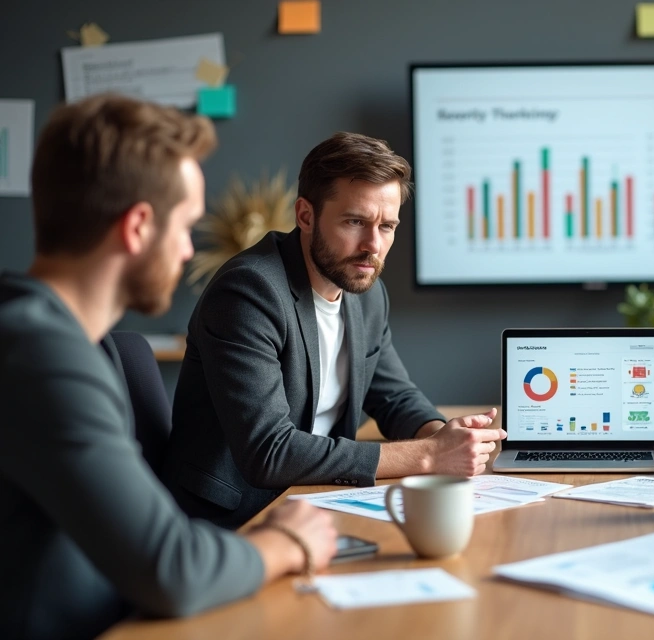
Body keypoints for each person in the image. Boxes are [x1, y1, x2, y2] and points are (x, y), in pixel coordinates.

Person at [0, 94, 338, 640]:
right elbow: (171, 570)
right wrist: (288, 541)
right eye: (184, 227)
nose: (186, 251)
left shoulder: (51, 337)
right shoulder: (43, 359)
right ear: (137, 227)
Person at [163, 132, 507, 528]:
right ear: (306, 216)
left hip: (316, 497)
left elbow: (393, 397)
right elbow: (269, 452)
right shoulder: (248, 292)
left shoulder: (366, 291)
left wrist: (445, 436)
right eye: (355, 222)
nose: (373, 245)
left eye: (387, 226)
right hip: (234, 519)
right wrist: (429, 455)